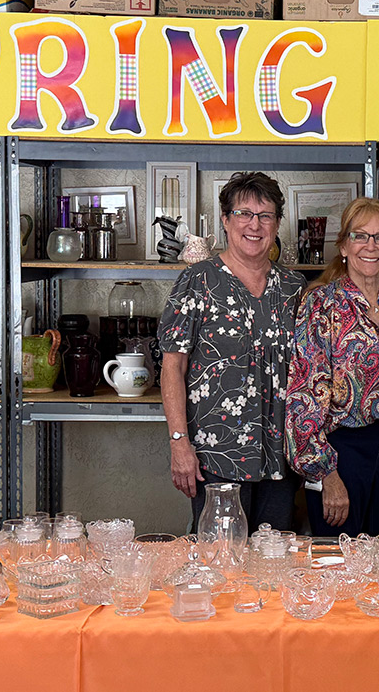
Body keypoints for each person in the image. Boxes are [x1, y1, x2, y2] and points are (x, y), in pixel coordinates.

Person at [158, 172, 305, 532]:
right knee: (220, 557)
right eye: (243, 214)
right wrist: (179, 444)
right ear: (225, 220)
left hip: (281, 457)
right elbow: (172, 367)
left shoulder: (293, 287)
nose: (254, 225)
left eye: (265, 215)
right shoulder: (198, 280)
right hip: (215, 456)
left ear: (277, 223)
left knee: (274, 557)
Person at [286, 198, 379, 535]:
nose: (371, 246)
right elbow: (304, 394)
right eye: (360, 236)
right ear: (344, 245)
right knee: (337, 559)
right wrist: (325, 473)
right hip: (341, 452)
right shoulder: (320, 302)